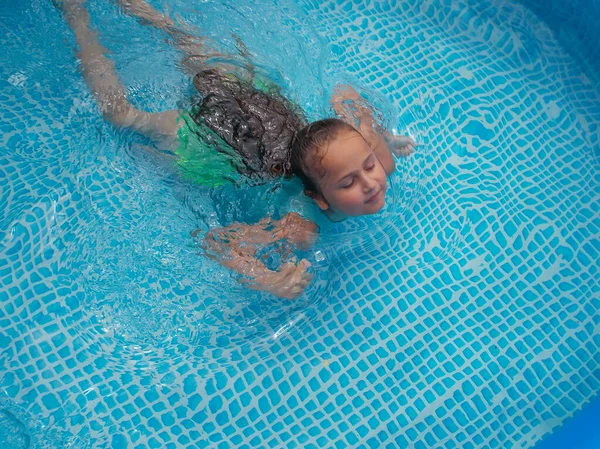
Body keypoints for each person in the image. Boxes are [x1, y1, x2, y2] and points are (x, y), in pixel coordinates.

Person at [57, 0, 415, 298]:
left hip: (265, 109)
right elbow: (219, 242)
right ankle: (77, 17)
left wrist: (383, 138)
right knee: (122, 115)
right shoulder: (302, 224)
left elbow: (344, 95)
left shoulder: (378, 156)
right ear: (317, 198)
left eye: (367, 166)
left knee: (187, 43)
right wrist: (268, 280)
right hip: (220, 137)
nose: (371, 182)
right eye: (348, 182)